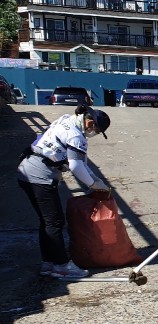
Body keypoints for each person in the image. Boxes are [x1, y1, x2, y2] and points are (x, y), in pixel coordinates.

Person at [17, 106, 112, 278]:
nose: (95, 134)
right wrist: (93, 184)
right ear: (90, 122)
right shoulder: (76, 136)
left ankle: (48, 263)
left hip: (26, 170)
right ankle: (62, 266)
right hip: (40, 176)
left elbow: (81, 163)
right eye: (96, 130)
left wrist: (96, 181)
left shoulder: (66, 120)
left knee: (46, 222)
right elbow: (75, 166)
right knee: (55, 222)